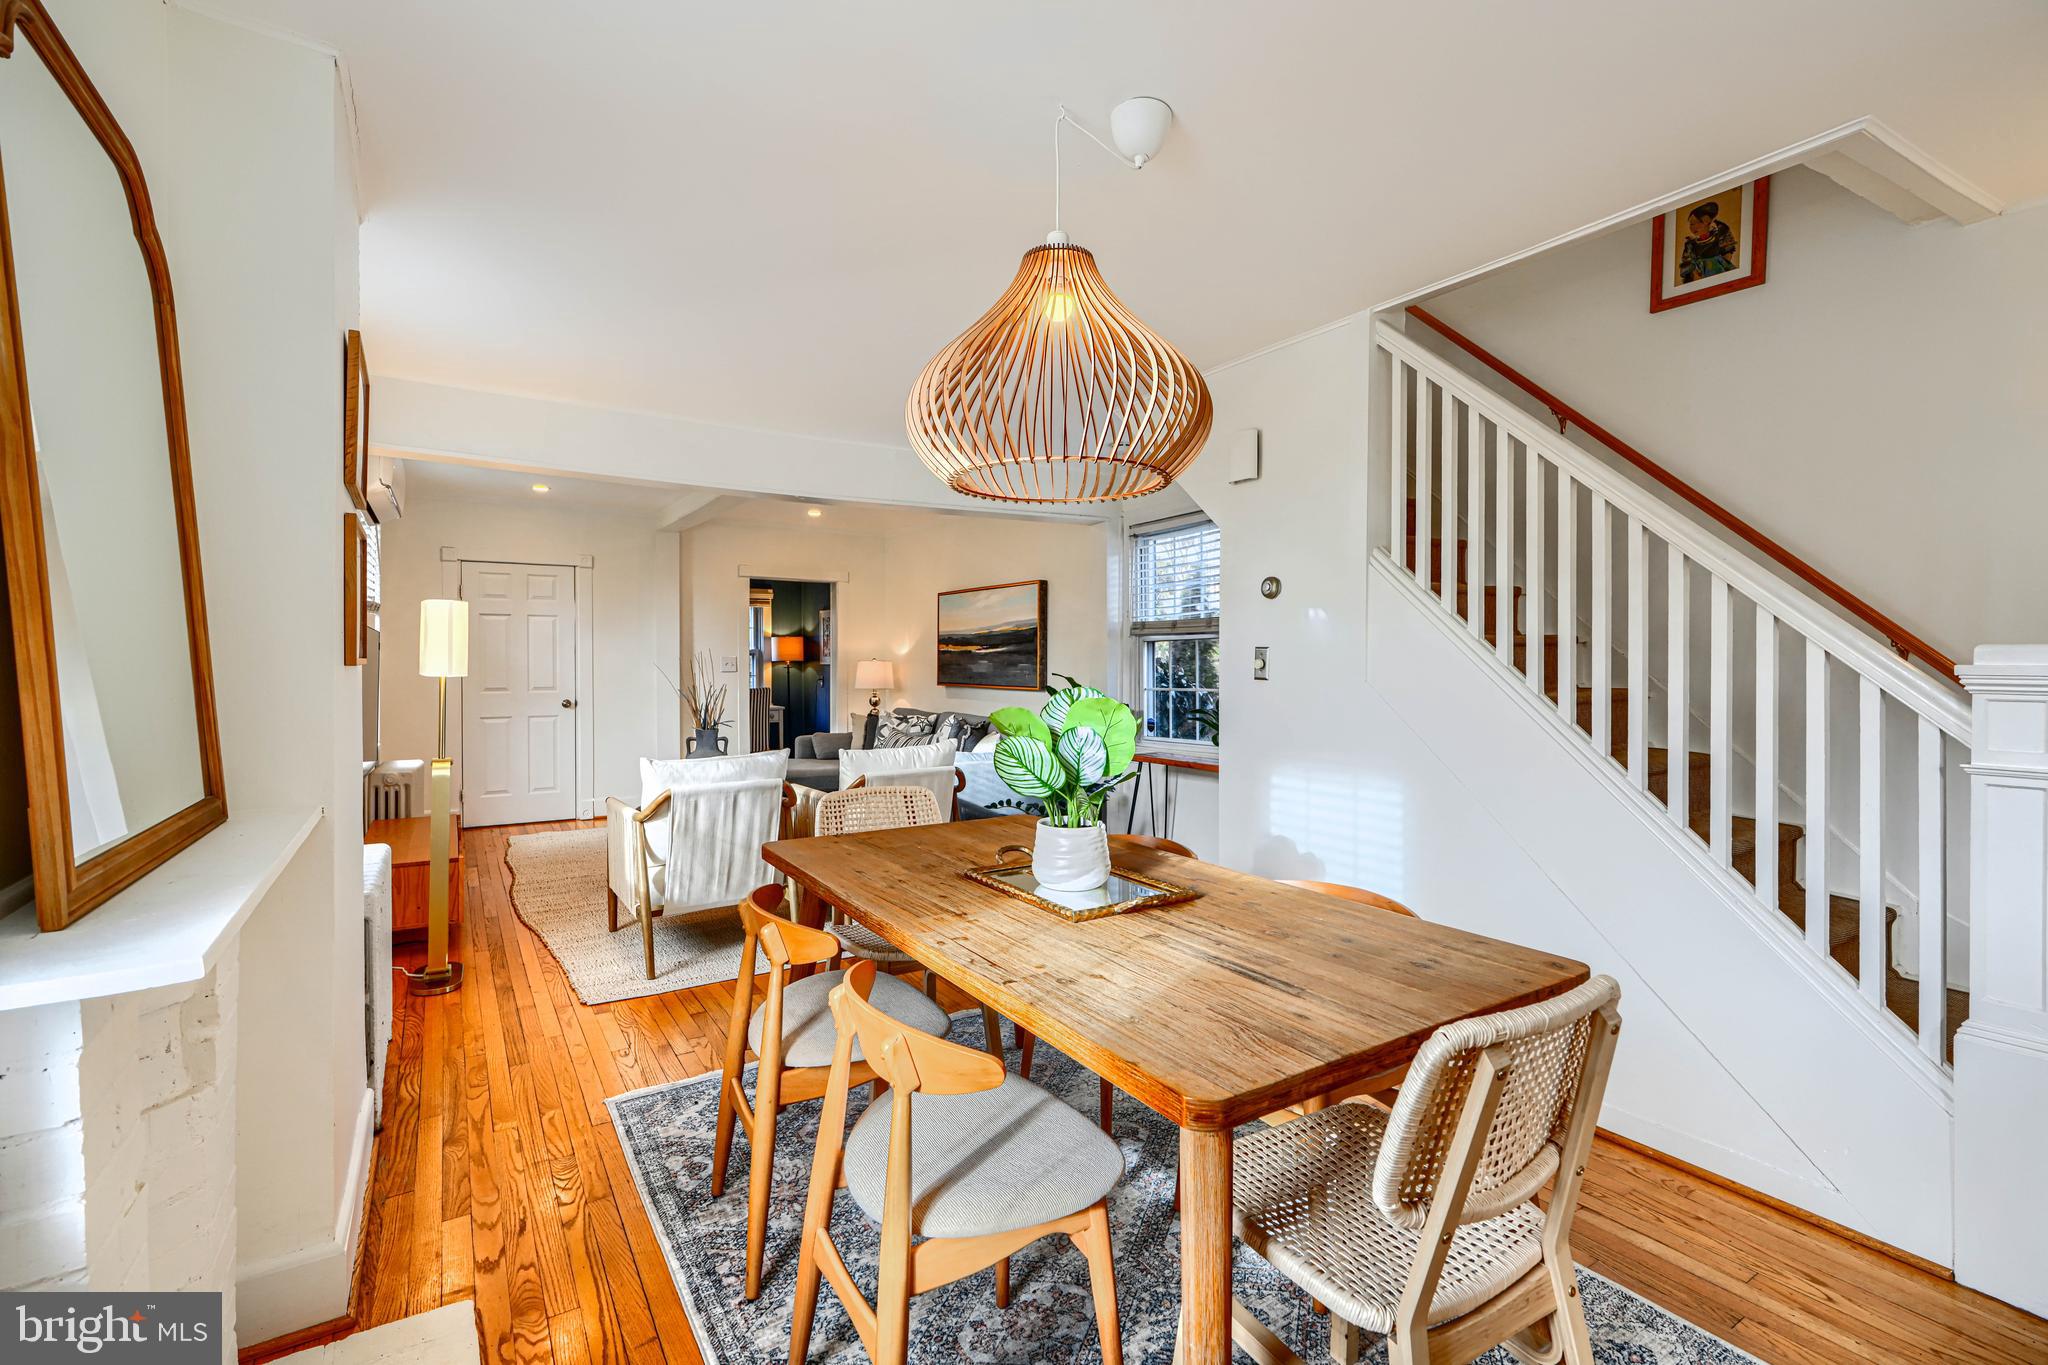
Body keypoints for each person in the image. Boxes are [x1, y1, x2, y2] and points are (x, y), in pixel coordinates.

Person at [1678, 201, 1740, 283]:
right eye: (1690, 224)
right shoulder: (1690, 244)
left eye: (1693, 223)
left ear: (1706, 220)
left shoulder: (1720, 232)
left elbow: (1728, 253)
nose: (1692, 227)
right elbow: (1686, 264)